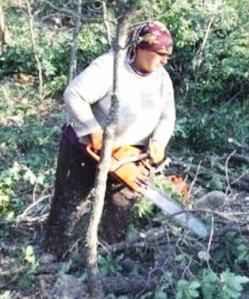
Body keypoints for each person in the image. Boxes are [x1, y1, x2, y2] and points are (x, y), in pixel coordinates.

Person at [44, 21, 176, 259]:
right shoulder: (109, 67)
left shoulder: (162, 78)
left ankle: (110, 254)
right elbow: (74, 94)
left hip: (130, 153)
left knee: (121, 206)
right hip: (85, 148)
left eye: (168, 55)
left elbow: (168, 115)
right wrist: (93, 131)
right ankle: (53, 252)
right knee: (69, 199)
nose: (165, 60)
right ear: (141, 47)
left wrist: (158, 142)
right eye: (161, 54)